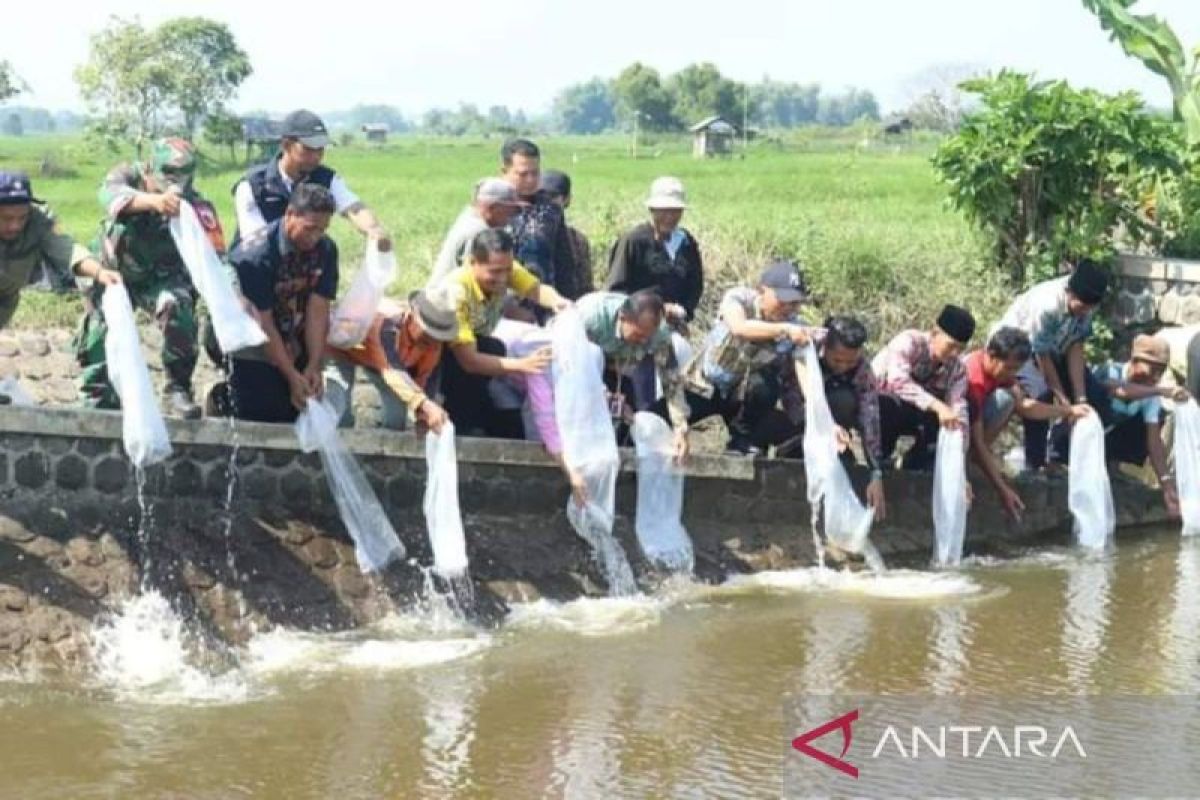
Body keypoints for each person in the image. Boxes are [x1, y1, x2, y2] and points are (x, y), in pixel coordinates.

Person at [76, 137, 218, 418]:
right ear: (151, 168)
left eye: (183, 174)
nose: (175, 182)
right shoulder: (128, 174)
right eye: (168, 173)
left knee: (177, 306)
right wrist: (153, 202)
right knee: (98, 331)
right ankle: (98, 396)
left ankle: (176, 390)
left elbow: (218, 254)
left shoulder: (196, 204)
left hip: (162, 278)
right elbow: (110, 196)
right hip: (111, 272)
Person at [435, 228, 571, 436]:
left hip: (477, 342)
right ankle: (462, 425)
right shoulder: (457, 293)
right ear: (473, 263)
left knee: (495, 349)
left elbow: (536, 290)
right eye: (494, 272)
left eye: (507, 270)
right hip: (443, 356)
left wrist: (558, 303)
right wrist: (523, 365)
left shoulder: (504, 268)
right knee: (489, 353)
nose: (502, 279)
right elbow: (468, 360)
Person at [224, 184, 339, 423]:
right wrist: (290, 375)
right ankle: (220, 398)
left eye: (322, 229)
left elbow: (318, 311)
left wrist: (313, 366)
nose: (315, 236)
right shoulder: (255, 257)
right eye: (310, 229)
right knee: (264, 412)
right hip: (250, 335)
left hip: (292, 330)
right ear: (290, 214)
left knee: (301, 405)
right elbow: (262, 322)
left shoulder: (325, 250)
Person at [683, 260, 813, 456]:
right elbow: (739, 328)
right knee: (660, 418)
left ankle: (740, 439)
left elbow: (799, 374)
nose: (788, 308)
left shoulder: (795, 326)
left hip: (743, 397)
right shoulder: (739, 298)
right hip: (703, 386)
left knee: (767, 385)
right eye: (783, 300)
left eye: (794, 303)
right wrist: (783, 329)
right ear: (762, 290)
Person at [1051, 334, 1189, 517]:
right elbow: (1117, 389)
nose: (1156, 376)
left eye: (1161, 371)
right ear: (1134, 360)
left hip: (1106, 441)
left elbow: (1153, 441)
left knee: (1155, 419)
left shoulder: (1150, 395)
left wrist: (1167, 486)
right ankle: (1058, 462)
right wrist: (1160, 390)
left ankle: (1111, 466)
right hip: (1070, 439)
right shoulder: (1109, 371)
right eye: (1152, 368)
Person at [964, 327, 1090, 522]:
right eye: (1009, 368)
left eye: (1016, 369)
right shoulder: (974, 377)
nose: (1012, 374)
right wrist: (1003, 490)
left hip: (973, 427)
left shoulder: (1002, 374)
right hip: (951, 427)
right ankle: (967, 463)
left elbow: (1025, 406)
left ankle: (974, 462)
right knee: (1004, 400)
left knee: (1009, 398)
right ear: (991, 355)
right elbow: (978, 441)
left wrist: (1069, 410)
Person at [996, 259, 1109, 469]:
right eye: (1082, 307)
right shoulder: (1047, 305)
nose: (1085, 312)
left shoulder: (1086, 306)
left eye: (1089, 309)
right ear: (1070, 293)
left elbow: (1076, 346)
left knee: (1095, 397)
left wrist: (1080, 397)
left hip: (1057, 348)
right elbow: (1042, 356)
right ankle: (1035, 465)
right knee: (1040, 392)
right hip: (1018, 350)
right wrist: (1066, 404)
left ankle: (1061, 456)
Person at [232, 109, 390, 251]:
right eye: (308, 149)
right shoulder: (252, 186)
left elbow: (354, 207)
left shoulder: (325, 178)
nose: (316, 156)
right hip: (256, 267)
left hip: (301, 266)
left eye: (320, 149)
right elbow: (253, 242)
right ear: (286, 145)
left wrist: (374, 230)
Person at [781, 315, 887, 521]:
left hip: (835, 424)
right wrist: (825, 426)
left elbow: (870, 416)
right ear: (826, 348)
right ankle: (794, 446)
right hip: (795, 412)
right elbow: (792, 396)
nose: (843, 366)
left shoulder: (863, 370)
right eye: (837, 360)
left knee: (847, 399)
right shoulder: (806, 344)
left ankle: (836, 451)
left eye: (851, 361)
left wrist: (876, 472)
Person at [576, 289, 691, 462]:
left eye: (648, 337)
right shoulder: (589, 317)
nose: (644, 342)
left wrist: (681, 429)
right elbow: (575, 367)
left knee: (628, 421)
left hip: (623, 366)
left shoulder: (659, 336)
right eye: (639, 335)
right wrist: (605, 397)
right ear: (623, 318)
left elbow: (672, 383)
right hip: (579, 370)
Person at [0, 170, 120, 333]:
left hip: (5, 300)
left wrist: (99, 272)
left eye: (22, 217)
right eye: (6, 218)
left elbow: (66, 249)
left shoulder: (37, 222)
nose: (15, 226)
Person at [324, 290, 457, 433]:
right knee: (339, 412)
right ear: (411, 317)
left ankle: (380, 453)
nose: (431, 342)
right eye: (427, 335)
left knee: (395, 419)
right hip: (341, 346)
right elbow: (391, 370)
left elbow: (425, 377)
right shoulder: (385, 325)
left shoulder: (433, 345)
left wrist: (422, 415)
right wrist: (425, 405)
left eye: (436, 339)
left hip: (377, 362)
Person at [872, 305, 975, 470]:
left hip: (918, 413)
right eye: (951, 346)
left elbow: (958, 408)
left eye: (960, 349)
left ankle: (913, 466)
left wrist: (959, 462)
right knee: (887, 404)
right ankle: (879, 461)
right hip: (878, 404)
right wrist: (938, 406)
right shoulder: (909, 342)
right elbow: (898, 382)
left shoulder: (957, 369)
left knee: (950, 422)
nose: (955, 353)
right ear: (935, 333)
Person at [605, 177, 703, 328]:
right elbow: (616, 290)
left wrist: (683, 310)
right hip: (638, 326)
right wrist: (653, 311)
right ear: (651, 209)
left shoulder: (686, 243)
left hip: (675, 324)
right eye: (663, 211)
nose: (669, 217)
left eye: (675, 211)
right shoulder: (633, 241)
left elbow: (695, 284)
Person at [499, 138, 580, 299]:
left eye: (535, 173)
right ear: (504, 171)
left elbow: (564, 261)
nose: (530, 180)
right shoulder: (495, 208)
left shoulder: (551, 209)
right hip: (505, 305)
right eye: (523, 174)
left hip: (546, 302)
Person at [427, 178, 526, 286]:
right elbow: (478, 282)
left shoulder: (469, 215)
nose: (513, 216)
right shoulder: (478, 232)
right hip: (449, 298)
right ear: (493, 208)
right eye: (511, 210)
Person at [539, 170, 594, 296]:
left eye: (552, 196)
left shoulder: (577, 240)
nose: (545, 202)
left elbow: (585, 285)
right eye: (541, 196)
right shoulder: (525, 238)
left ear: (567, 199)